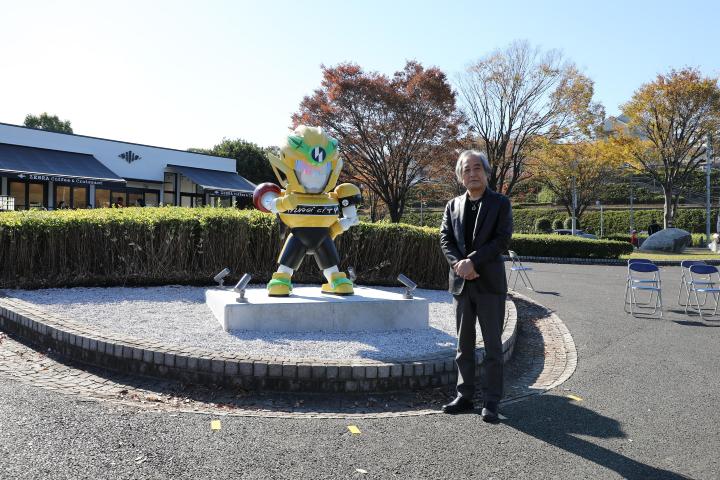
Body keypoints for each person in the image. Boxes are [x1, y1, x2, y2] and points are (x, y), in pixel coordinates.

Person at [439, 150, 513, 422]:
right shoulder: (452, 205)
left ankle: (491, 401)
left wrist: (471, 262)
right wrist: (460, 264)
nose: (472, 173)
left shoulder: (500, 203)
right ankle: (464, 395)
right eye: (466, 170)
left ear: (486, 172)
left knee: (493, 345)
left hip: (489, 284)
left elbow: (502, 240)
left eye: (476, 168)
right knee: (463, 344)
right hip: (461, 284)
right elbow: (445, 239)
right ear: (460, 176)